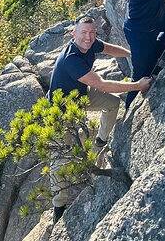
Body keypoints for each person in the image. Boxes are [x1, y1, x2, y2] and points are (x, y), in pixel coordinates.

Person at [48, 15, 151, 223]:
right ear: (73, 34)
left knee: (112, 104)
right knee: (61, 158)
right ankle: (59, 206)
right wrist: (137, 85)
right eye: (84, 33)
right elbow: (102, 84)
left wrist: (130, 53)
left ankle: (100, 141)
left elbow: (109, 49)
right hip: (61, 109)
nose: (88, 37)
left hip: (80, 95)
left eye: (92, 32)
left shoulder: (91, 43)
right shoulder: (72, 59)